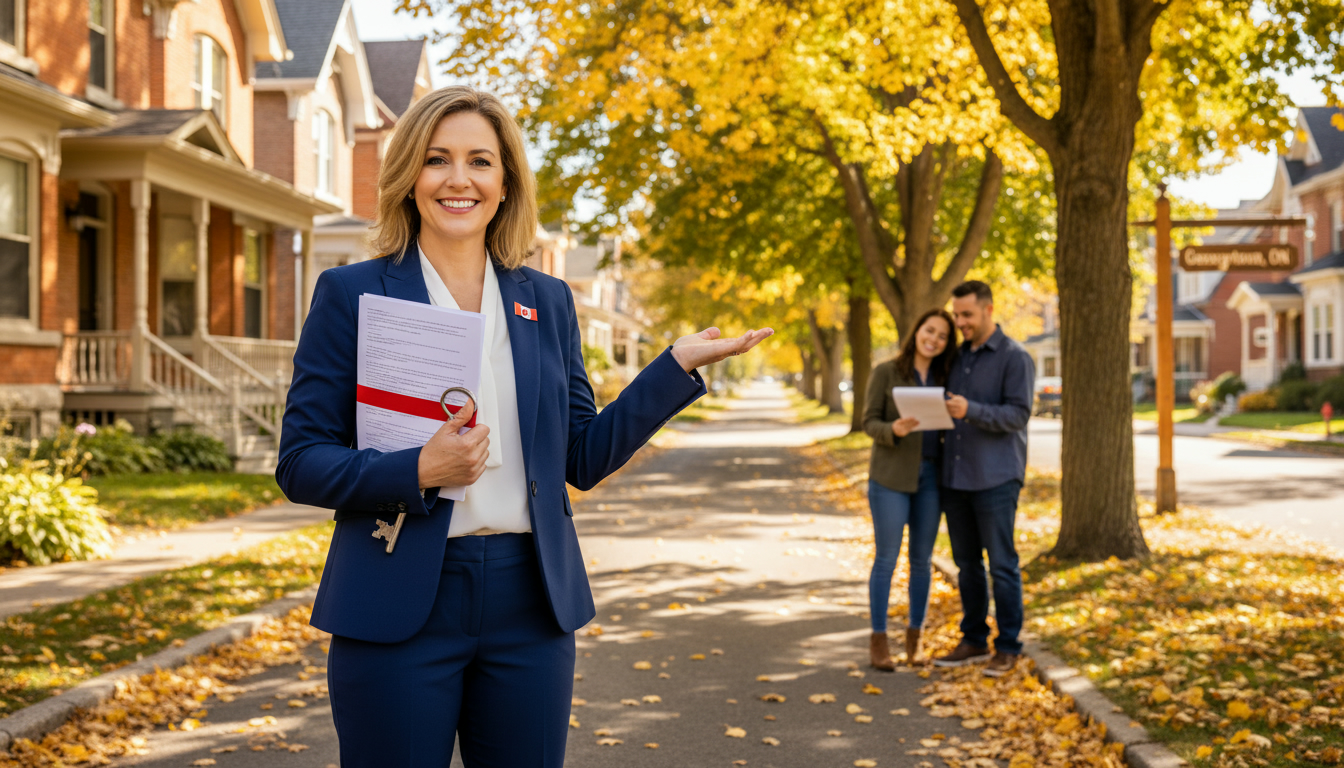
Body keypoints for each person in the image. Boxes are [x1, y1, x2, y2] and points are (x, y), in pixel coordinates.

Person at [275, 86, 772, 767]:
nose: (458, 179)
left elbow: (581, 457)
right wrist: (417, 471)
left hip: (529, 605)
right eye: (436, 159)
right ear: (408, 179)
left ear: (505, 182)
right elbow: (301, 461)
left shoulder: (549, 299)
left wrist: (671, 370)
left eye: (480, 161)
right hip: (396, 599)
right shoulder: (352, 293)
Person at [934, 280, 1035, 677]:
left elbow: (1018, 415)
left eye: (967, 315)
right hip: (956, 477)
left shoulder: (1015, 358)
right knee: (966, 565)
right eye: (957, 315)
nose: (960, 322)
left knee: (1002, 565)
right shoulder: (957, 357)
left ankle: (1008, 646)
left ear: (989, 310)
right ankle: (974, 639)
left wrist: (970, 409)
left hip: (996, 477)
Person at [862, 308, 958, 670]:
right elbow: (869, 421)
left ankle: (915, 641)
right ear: (917, 330)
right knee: (887, 559)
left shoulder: (946, 376)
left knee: (921, 562)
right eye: (929, 330)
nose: (934, 339)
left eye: (943, 336)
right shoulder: (887, 371)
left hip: (932, 479)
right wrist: (894, 430)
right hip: (890, 477)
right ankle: (879, 642)